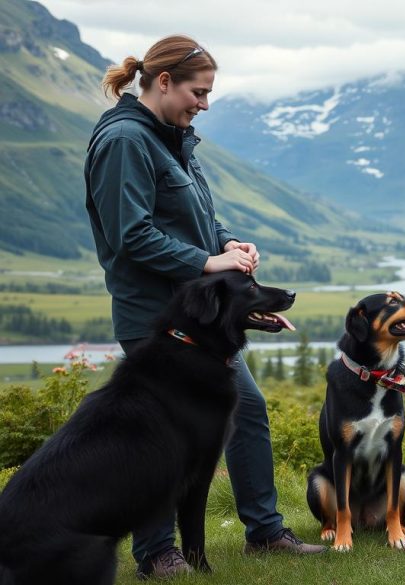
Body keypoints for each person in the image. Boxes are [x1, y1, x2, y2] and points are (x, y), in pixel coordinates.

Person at [84, 35, 326, 579]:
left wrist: (229, 244)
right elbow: (130, 236)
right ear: (163, 82)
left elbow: (195, 218)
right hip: (156, 321)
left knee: (246, 411)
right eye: (199, 91)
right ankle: (157, 554)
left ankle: (263, 534)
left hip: (198, 318)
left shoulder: (172, 139)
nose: (205, 104)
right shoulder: (125, 141)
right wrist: (206, 263)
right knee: (159, 435)